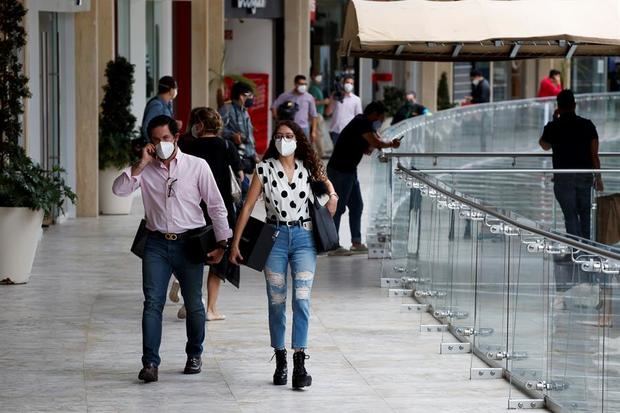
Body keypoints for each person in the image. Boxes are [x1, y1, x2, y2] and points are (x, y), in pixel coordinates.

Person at [112, 115, 232, 383]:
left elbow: (215, 205)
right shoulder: (145, 169)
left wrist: (222, 243)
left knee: (193, 303)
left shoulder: (197, 166)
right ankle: (150, 363)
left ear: (176, 138)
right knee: (152, 303)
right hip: (155, 243)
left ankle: (194, 354)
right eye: (155, 140)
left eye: (165, 138)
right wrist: (141, 163)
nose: (160, 144)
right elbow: (119, 190)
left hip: (190, 242)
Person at [230, 120, 338, 389]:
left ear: (297, 139)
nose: (283, 140)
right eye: (278, 136)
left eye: (288, 135)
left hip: (304, 238)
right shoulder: (264, 169)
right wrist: (235, 242)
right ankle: (280, 360)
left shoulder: (308, 166)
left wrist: (333, 195)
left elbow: (327, 184)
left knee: (302, 300)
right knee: (276, 302)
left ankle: (300, 362)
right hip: (274, 239)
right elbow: (247, 207)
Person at [178, 107, 243, 321]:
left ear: (199, 125)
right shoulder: (227, 145)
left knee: (193, 258)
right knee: (218, 259)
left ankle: (190, 303)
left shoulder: (188, 146)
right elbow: (240, 175)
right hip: (220, 209)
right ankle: (211, 309)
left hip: (193, 209)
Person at [326, 101, 401, 256]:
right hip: (340, 170)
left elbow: (369, 148)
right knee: (338, 208)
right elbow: (374, 142)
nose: (381, 120)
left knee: (357, 206)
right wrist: (390, 145)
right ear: (374, 114)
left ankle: (356, 242)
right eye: (381, 117)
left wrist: (378, 143)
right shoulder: (362, 122)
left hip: (349, 170)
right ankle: (332, 245)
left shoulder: (364, 123)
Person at [539, 89, 603, 240]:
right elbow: (594, 155)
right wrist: (598, 178)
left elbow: (544, 145)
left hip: (563, 178)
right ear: (574, 105)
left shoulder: (553, 126)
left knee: (570, 215)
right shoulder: (587, 125)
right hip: (585, 176)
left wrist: (555, 119)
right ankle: (586, 250)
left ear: (558, 107)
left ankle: (575, 251)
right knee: (585, 214)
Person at [219, 82, 258, 201]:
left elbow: (249, 136)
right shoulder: (226, 109)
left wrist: (254, 154)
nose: (252, 98)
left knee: (245, 190)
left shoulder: (244, 111)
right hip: (234, 157)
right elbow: (218, 130)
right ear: (242, 96)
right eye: (250, 95)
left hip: (247, 158)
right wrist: (232, 135)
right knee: (242, 189)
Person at [272, 75, 318, 142]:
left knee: (303, 150)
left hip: (303, 128)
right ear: (296, 84)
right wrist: (278, 120)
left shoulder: (309, 97)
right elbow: (274, 106)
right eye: (301, 84)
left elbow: (314, 115)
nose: (303, 86)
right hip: (289, 128)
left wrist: (313, 132)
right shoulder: (286, 95)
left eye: (305, 84)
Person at [325, 75, 362, 144]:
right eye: (347, 82)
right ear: (343, 84)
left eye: (351, 83)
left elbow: (359, 117)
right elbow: (327, 112)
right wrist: (332, 100)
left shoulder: (356, 100)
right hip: (336, 131)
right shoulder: (336, 97)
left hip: (349, 132)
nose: (349, 85)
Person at [308, 72, 330, 158]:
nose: (320, 78)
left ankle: (318, 152)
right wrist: (324, 102)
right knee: (317, 133)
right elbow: (313, 102)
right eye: (317, 75)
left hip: (319, 113)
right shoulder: (313, 89)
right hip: (316, 114)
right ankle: (320, 153)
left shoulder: (317, 88)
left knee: (318, 133)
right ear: (313, 77)